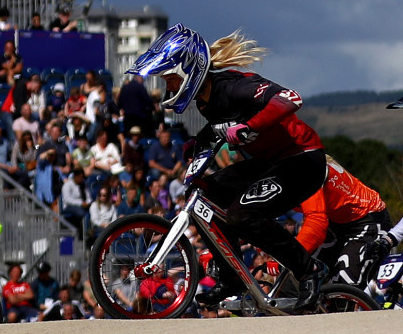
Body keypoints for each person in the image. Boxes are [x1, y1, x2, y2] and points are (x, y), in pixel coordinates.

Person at [128, 26, 327, 307]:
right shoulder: (206, 102)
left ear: (188, 72)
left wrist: (250, 126)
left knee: (240, 216)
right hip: (268, 163)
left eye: (170, 80)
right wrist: (199, 143)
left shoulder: (235, 86)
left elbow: (291, 99)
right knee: (200, 196)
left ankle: (309, 270)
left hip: (302, 160)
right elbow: (222, 129)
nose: (168, 88)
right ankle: (231, 275)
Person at [296, 155, 390, 287]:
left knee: (345, 280)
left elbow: (316, 223)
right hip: (335, 221)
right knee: (299, 275)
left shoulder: (307, 173)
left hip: (367, 219)